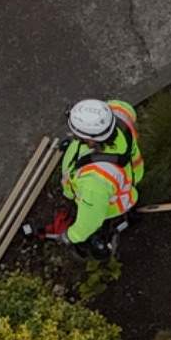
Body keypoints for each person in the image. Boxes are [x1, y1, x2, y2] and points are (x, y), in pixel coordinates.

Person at [37, 97, 145, 257]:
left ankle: (100, 243)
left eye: (76, 135)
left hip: (109, 207)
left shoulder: (95, 181)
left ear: (90, 141)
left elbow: (89, 222)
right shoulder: (117, 114)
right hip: (129, 176)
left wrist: (71, 236)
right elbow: (124, 107)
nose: (73, 135)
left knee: (97, 229)